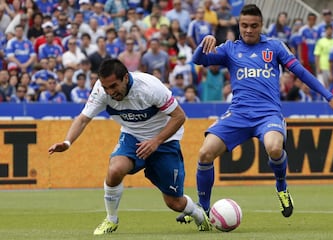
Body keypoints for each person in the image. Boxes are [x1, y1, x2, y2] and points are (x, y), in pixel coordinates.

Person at [176, 4, 333, 226]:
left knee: (275, 148)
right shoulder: (229, 49)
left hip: (268, 114)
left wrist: (329, 96)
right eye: (244, 25)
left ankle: (282, 187)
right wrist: (203, 44)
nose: (248, 30)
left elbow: (301, 72)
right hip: (238, 114)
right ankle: (203, 210)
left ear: (261, 26)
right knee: (205, 153)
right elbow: (200, 60)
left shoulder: (275, 47)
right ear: (239, 25)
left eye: (253, 26)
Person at [48, 59, 212, 235]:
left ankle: (199, 215)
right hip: (132, 136)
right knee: (115, 170)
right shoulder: (101, 91)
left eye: (113, 86)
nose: (110, 92)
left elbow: (179, 116)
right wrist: (67, 142)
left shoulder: (150, 87)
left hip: (164, 141)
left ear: (125, 78)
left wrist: (156, 141)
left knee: (175, 203)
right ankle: (111, 219)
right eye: (106, 88)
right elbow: (83, 119)